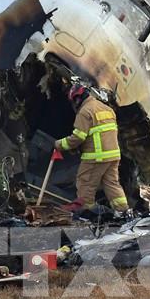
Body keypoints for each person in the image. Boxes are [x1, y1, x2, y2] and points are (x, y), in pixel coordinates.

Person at [56, 82, 130, 216]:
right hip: (113, 155)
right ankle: (124, 211)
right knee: (112, 184)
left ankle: (87, 212)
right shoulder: (107, 109)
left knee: (85, 183)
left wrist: (60, 144)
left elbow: (78, 137)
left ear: (77, 98)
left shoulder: (85, 111)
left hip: (96, 156)